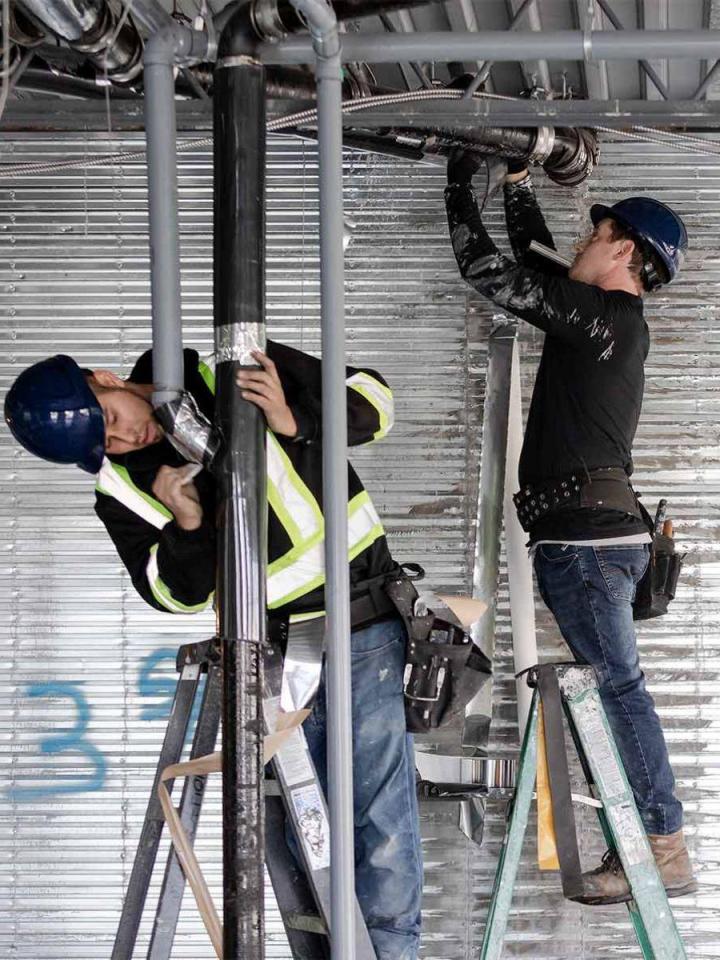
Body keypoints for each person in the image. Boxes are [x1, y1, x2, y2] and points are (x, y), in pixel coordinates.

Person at [4, 339, 422, 958]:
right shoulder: (119, 487)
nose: (124, 439)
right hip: (268, 651)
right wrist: (188, 527)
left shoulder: (224, 371)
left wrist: (295, 418)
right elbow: (169, 594)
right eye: (108, 443)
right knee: (289, 834)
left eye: (114, 418)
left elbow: (376, 400)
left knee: (378, 819)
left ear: (104, 378)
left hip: (361, 621)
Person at [444, 149, 695, 905]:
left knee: (620, 692)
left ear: (623, 247)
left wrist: (460, 187)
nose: (581, 245)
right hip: (593, 539)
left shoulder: (600, 318)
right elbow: (537, 260)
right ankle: (652, 842)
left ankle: (659, 846)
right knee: (618, 690)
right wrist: (517, 186)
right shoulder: (607, 319)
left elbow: (489, 271)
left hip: (586, 546)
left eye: (595, 236)